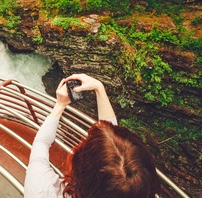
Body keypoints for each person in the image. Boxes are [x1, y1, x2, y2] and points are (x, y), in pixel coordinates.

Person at [24, 74, 160, 198]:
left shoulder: (42, 190)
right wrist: (99, 89)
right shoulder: (136, 192)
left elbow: (41, 142)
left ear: (80, 170)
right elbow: (112, 146)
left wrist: (60, 105)